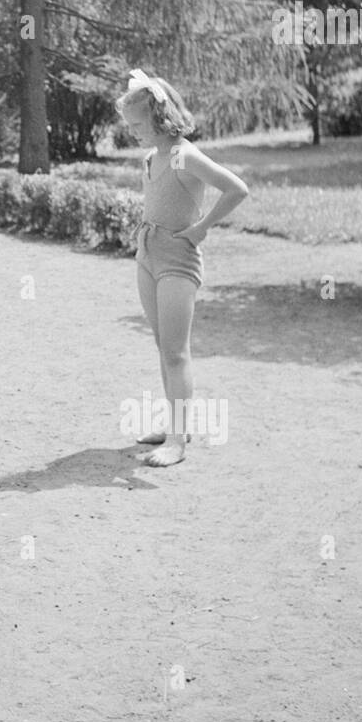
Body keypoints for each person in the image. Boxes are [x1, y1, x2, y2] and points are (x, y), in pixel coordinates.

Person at [116, 69, 249, 467]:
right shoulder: (150, 157)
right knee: (163, 346)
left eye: (138, 125)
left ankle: (177, 443)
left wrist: (200, 229)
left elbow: (236, 189)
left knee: (176, 351)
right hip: (148, 254)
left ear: (159, 117)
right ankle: (176, 426)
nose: (133, 133)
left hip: (178, 258)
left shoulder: (183, 154)